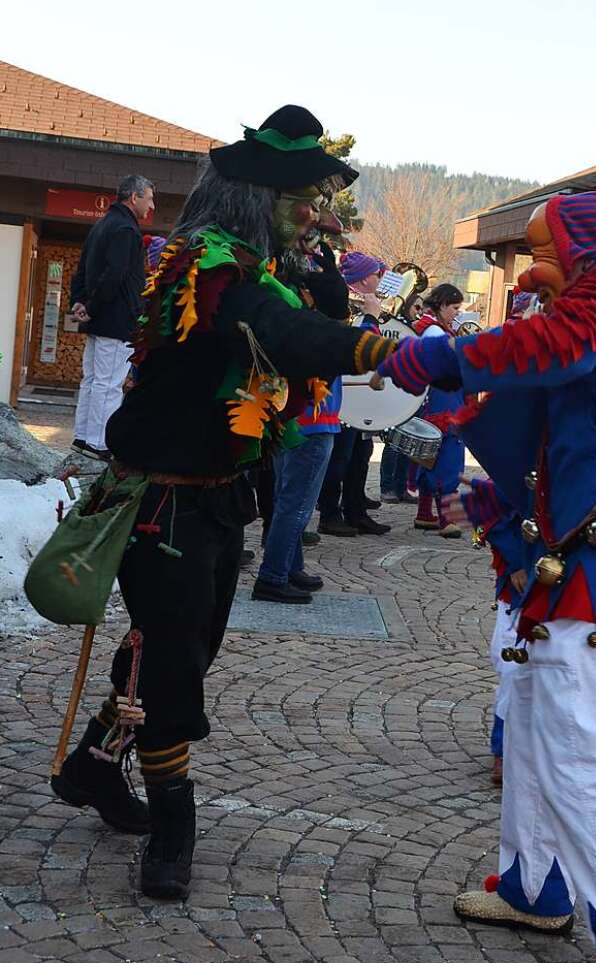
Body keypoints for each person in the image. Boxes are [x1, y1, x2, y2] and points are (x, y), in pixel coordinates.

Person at [50, 106, 398, 902]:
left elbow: (290, 330)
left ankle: (92, 766)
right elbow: (290, 334)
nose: (319, 215)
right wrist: (402, 351)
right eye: (306, 197)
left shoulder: (251, 266)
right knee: (173, 664)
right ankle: (175, 826)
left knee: (185, 652)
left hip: (212, 495)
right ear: (255, 197)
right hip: (159, 501)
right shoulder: (213, 267)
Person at [375, 191, 596, 963]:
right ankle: (534, 885)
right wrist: (497, 509)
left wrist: (441, 355)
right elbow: (561, 435)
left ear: (587, 252)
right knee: (529, 718)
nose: (531, 272)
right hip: (574, 560)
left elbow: (555, 349)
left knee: (580, 749)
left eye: (545, 252)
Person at [251, 244, 349, 603]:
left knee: (285, 500)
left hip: (291, 422)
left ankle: (291, 567)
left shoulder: (293, 321)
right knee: (296, 506)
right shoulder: (322, 331)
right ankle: (273, 575)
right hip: (314, 426)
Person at [70, 175, 155, 460]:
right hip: (117, 319)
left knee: (92, 379)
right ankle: (99, 443)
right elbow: (115, 275)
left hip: (99, 318)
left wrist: (80, 302)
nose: (151, 205)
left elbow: (82, 269)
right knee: (108, 383)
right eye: (149, 198)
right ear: (134, 197)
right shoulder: (126, 230)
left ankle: (83, 437)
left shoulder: (101, 225)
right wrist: (91, 305)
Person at [456, 476, 525, 785]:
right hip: (523, 586)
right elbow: (492, 507)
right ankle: (505, 750)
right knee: (514, 668)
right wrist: (517, 562)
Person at [317, 251, 391, 537]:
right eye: (374, 274)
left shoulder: (364, 306)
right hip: (342, 398)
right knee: (340, 459)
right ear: (359, 282)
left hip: (358, 399)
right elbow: (356, 344)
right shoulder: (345, 310)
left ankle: (355, 509)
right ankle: (329, 513)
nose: (379, 278)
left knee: (361, 454)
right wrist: (371, 316)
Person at [411, 284, 466, 538]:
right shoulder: (435, 331)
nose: (457, 313)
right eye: (455, 308)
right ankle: (446, 519)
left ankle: (425, 513)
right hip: (444, 399)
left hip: (434, 399)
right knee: (448, 455)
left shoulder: (428, 327)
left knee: (429, 454)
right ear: (442, 304)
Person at [380, 290, 423, 503]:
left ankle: (401, 486)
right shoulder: (396, 325)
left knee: (407, 443)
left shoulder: (414, 328)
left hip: (409, 391)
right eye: (417, 307)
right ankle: (387, 487)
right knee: (393, 444)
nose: (420, 312)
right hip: (393, 390)